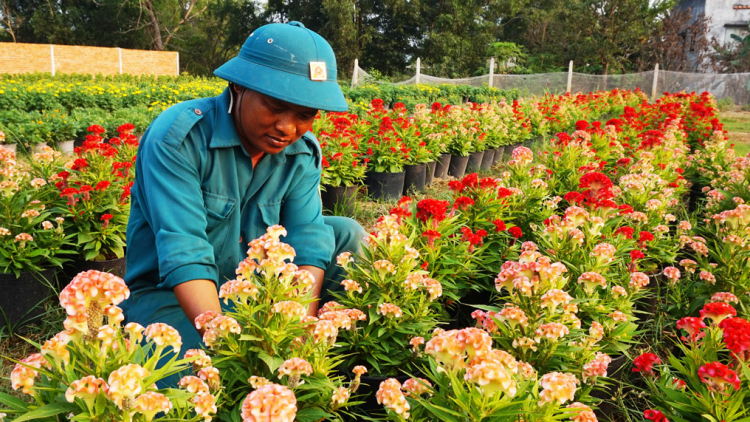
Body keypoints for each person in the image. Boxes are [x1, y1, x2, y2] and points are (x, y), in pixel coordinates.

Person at [121, 21, 366, 362]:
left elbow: (308, 238)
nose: (288, 127)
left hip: (257, 284)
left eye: (305, 115)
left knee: (347, 234)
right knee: (199, 375)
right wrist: (231, 348)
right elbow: (185, 253)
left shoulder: (301, 152)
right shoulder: (180, 139)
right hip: (176, 293)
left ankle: (352, 352)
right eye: (275, 106)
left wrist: (298, 334)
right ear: (238, 86)